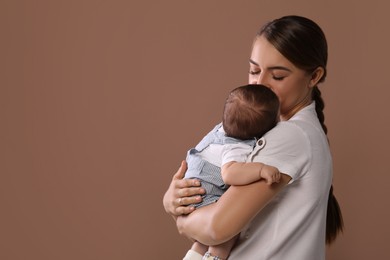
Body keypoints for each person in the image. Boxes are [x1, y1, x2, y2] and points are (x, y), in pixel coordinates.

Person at [163, 15, 343, 260]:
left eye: (277, 76)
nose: (260, 84)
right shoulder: (282, 130)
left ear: (314, 77)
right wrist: (173, 199)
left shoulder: (292, 135)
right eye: (254, 71)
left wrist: (181, 219)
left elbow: (217, 228)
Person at [183, 84, 281, 260]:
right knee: (226, 236)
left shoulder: (222, 128)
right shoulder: (236, 146)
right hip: (205, 195)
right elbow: (230, 173)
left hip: (192, 190)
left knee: (201, 243)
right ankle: (214, 258)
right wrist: (260, 169)